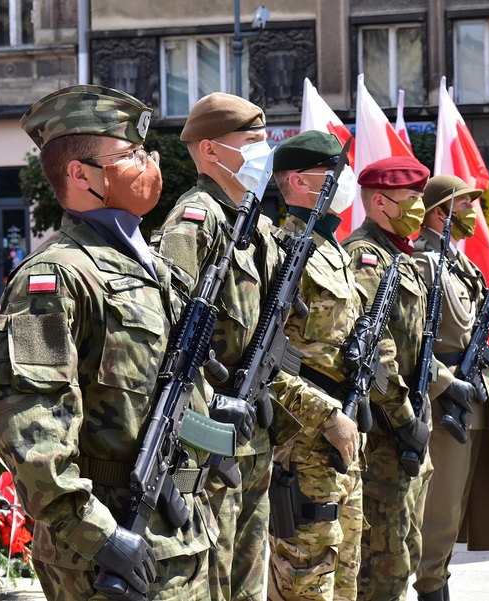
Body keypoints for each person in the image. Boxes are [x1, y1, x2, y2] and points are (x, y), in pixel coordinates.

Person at [0, 84, 217, 599]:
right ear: (80, 174)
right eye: (130, 154)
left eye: (145, 152)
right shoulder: (51, 280)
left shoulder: (154, 267)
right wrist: (99, 533)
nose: (147, 165)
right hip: (105, 555)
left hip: (181, 536)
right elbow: (28, 423)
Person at [152, 92, 303, 601]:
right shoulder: (194, 221)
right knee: (214, 580)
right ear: (214, 151)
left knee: (248, 581)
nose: (265, 153)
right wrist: (211, 404)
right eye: (254, 143)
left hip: (253, 433)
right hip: (211, 434)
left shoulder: (255, 223)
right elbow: (170, 335)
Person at [413, 174, 489, 601]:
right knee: (440, 508)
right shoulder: (424, 263)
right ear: (441, 211)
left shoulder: (457, 262)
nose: (474, 214)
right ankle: (429, 586)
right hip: (446, 398)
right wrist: (446, 383)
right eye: (466, 205)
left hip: (473, 394)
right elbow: (413, 341)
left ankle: (439, 580)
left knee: (458, 503)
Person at [266, 130, 364, 600]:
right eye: (335, 173)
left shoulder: (334, 251)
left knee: (346, 572)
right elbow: (259, 358)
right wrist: (326, 416)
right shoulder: (282, 252)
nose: (346, 181)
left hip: (343, 438)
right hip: (303, 441)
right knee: (305, 575)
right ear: (302, 182)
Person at [342, 156, 433, 600]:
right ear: (380, 201)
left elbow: (414, 342)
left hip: (407, 429)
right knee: (383, 564)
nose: (420, 207)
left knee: (406, 550)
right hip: (383, 432)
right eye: (413, 200)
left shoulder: (399, 256)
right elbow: (377, 352)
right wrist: (404, 418)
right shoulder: (367, 258)